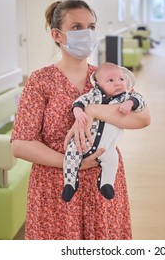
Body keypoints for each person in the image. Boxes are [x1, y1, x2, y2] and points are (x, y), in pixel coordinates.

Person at [10, 0, 150, 240]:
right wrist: (73, 163)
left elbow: (143, 117)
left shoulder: (107, 77)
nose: (87, 33)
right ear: (57, 35)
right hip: (56, 188)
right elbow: (20, 144)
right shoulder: (40, 81)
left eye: (91, 27)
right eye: (76, 27)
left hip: (102, 185)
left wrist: (94, 111)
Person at [62, 62, 146, 202]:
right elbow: (79, 101)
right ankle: (70, 183)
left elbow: (141, 100)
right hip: (82, 144)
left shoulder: (125, 97)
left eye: (121, 79)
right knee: (70, 155)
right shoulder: (93, 95)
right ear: (98, 84)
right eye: (111, 80)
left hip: (106, 147)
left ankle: (106, 183)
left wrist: (130, 103)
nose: (118, 83)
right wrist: (77, 110)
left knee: (112, 160)